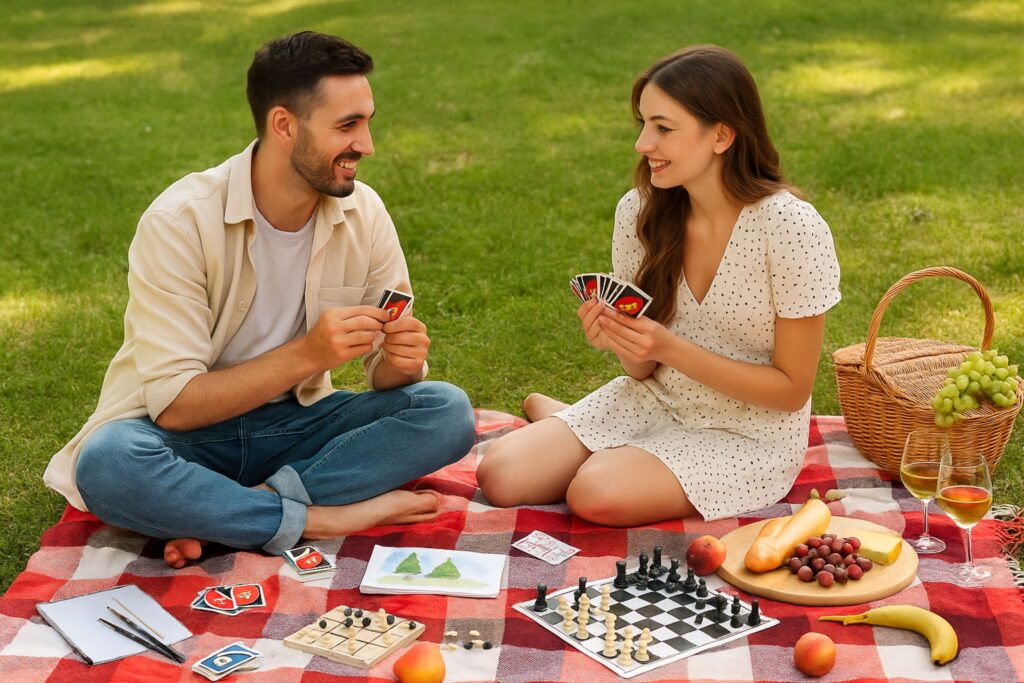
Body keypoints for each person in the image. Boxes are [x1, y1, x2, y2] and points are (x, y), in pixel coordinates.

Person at [43, 31, 476, 568]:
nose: (366, 145)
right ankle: (317, 517)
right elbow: (176, 408)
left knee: (445, 411)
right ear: (284, 126)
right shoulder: (180, 222)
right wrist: (310, 354)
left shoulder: (364, 213)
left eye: (367, 122)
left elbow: (385, 378)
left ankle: (232, 515)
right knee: (108, 463)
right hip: (183, 439)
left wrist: (400, 364)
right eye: (347, 126)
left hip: (298, 426)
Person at [477, 45, 840, 526]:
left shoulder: (790, 227)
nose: (643, 144)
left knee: (595, 491)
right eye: (644, 124)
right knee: (500, 475)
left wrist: (669, 349)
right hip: (654, 399)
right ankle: (579, 428)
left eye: (663, 128)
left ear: (722, 136)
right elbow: (642, 368)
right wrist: (622, 340)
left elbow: (792, 391)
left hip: (749, 432)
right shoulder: (640, 212)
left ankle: (573, 426)